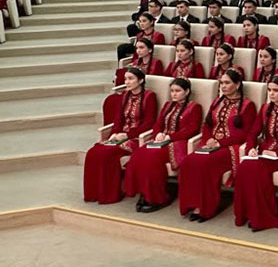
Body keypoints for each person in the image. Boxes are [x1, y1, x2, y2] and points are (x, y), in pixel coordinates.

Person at [177, 70, 257, 221]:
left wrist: (220, 143)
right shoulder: (216, 102)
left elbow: (245, 134)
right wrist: (208, 139)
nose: (223, 86)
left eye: (227, 83)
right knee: (188, 162)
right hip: (211, 144)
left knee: (205, 164)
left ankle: (206, 207)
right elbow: (207, 125)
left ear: (237, 85)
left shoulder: (247, 106)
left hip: (231, 147)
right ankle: (192, 203)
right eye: (221, 83)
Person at [233, 75, 278, 231]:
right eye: (269, 90)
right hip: (264, 152)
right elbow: (252, 133)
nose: (271, 94)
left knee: (256, 169)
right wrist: (251, 148)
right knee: (244, 166)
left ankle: (264, 217)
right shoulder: (265, 109)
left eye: (276, 90)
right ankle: (248, 213)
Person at [123, 78, 204, 211]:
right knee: (139, 154)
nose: (174, 94)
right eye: (172, 91)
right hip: (161, 141)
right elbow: (158, 124)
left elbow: (192, 129)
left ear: (187, 92)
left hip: (178, 143)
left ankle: (157, 197)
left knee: (152, 158)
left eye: (177, 91)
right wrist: (158, 134)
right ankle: (144, 192)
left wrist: (170, 137)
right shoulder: (167, 105)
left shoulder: (195, 107)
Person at [83, 67, 159, 204]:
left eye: (131, 79)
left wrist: (127, 135)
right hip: (120, 136)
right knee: (93, 152)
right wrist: (114, 134)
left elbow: (149, 123)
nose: (127, 82)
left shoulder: (149, 97)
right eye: (125, 79)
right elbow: (118, 120)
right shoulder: (124, 96)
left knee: (107, 154)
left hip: (135, 138)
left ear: (140, 80)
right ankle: (95, 193)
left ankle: (109, 194)